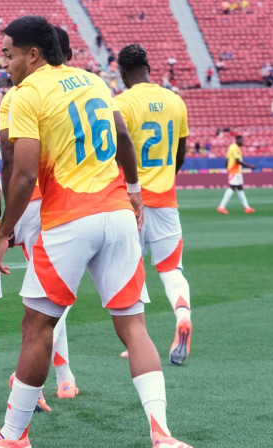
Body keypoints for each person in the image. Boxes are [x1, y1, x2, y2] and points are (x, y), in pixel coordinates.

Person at [0, 16, 192, 448]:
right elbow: (122, 137)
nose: (5, 63)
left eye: (9, 54)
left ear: (32, 54)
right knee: (134, 328)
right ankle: (162, 433)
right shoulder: (93, 80)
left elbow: (21, 175)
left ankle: (14, 436)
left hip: (68, 219)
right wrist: (133, 192)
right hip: (116, 214)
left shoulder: (25, 94)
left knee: (36, 327)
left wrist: (4, 233)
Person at [0, 26, 78, 413]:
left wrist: (5, 218)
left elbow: (9, 159)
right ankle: (55, 377)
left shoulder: (15, 97)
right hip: (51, 204)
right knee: (49, 303)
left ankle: (59, 378)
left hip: (36, 205)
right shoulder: (64, 90)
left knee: (50, 301)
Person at [115, 43, 193, 366]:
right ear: (149, 67)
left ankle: (139, 341)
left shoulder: (120, 102)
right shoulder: (176, 101)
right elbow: (181, 153)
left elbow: (118, 147)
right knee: (171, 269)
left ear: (121, 73)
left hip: (130, 200)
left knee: (132, 270)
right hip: (166, 199)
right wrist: (165, 177)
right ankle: (183, 315)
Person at [217, 135, 256, 214]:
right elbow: (237, 161)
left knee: (240, 188)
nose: (242, 142)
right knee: (232, 187)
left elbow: (227, 159)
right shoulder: (235, 148)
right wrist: (250, 166)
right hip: (234, 171)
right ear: (237, 140)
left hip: (235, 171)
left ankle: (247, 207)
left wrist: (227, 168)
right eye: (241, 140)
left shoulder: (231, 147)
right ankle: (221, 207)